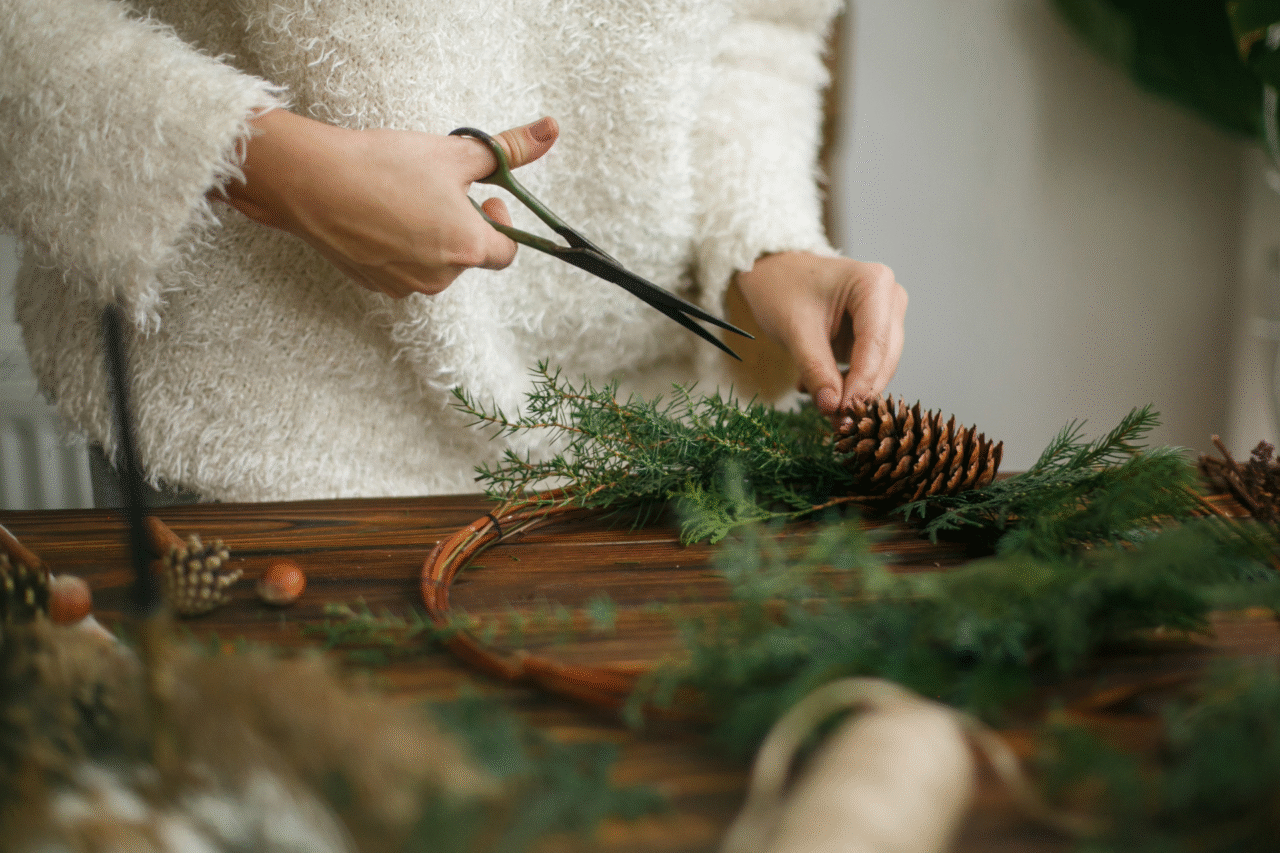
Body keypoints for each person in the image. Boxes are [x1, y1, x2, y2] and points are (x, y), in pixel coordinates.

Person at [0, 0, 907, 503]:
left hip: (651, 449)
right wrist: (264, 162)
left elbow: (759, 29)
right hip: (261, 439)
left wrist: (767, 241)